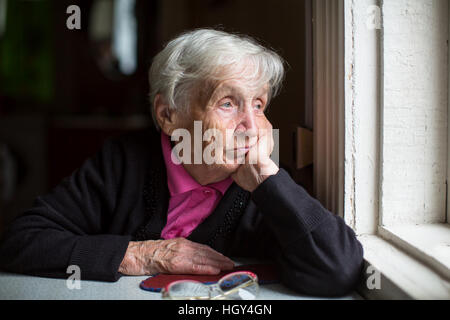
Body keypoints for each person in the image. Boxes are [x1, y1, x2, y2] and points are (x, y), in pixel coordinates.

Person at [0, 29, 363, 297]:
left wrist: (269, 179)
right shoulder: (123, 163)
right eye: (227, 103)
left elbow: (338, 269)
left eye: (258, 105)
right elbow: (21, 243)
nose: (252, 128)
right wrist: (144, 254)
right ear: (168, 114)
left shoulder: (263, 186)